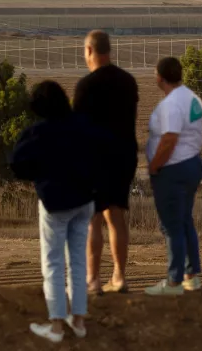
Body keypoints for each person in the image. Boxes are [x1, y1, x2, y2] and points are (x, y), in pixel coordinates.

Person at [10, 81, 112, 343]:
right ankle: (77, 321)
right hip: (84, 201)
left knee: (53, 262)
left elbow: (17, 164)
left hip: (55, 204)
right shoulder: (84, 124)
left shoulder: (38, 132)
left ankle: (56, 326)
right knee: (77, 260)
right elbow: (103, 154)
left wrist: (39, 176)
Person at [73, 30, 139, 295]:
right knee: (116, 216)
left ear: (89, 51)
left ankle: (92, 280)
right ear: (108, 50)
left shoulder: (86, 86)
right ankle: (120, 277)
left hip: (94, 158)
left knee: (92, 219)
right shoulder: (128, 82)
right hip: (124, 157)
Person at [144, 57, 202, 296]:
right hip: (192, 164)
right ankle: (191, 276)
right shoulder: (193, 98)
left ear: (160, 77)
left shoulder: (171, 104)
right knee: (184, 220)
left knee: (172, 225)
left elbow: (170, 138)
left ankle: (174, 281)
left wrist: (154, 166)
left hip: (173, 168)